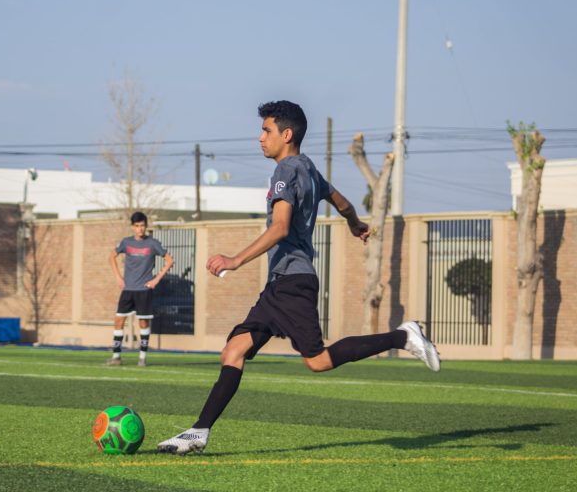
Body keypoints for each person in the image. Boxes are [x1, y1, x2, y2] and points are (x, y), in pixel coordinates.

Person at [157, 101, 440, 455]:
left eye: (267, 131)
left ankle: (403, 335)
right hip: (281, 284)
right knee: (233, 350)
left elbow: (280, 227)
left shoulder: (285, 171)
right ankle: (199, 432)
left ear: (286, 135)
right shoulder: (308, 169)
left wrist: (236, 259)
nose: (260, 138)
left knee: (318, 360)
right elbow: (344, 204)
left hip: (293, 283)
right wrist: (356, 225)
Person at [108, 211, 174, 367]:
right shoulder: (126, 242)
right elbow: (111, 256)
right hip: (128, 290)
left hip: (144, 291)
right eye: (137, 226)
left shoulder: (152, 243)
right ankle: (116, 357)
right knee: (118, 321)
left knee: (143, 323)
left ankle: (142, 358)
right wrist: (118, 277)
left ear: (146, 226)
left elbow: (170, 261)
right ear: (132, 227)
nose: (140, 229)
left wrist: (156, 279)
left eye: (142, 226)